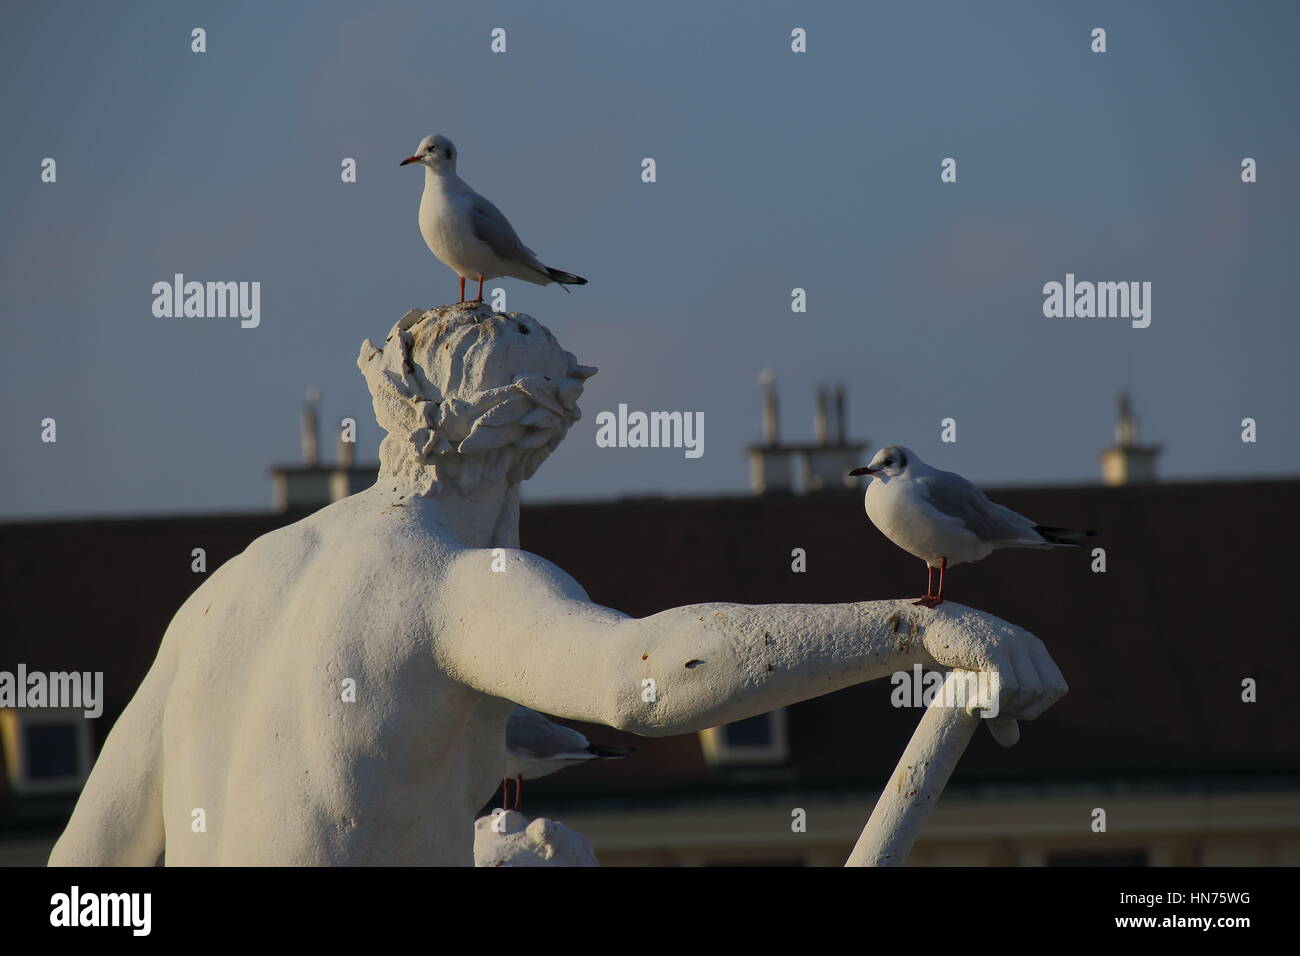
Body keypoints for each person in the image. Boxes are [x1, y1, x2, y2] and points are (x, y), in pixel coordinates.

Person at [49, 304, 1065, 866]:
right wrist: (908, 630)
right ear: (526, 443)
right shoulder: (453, 580)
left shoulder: (226, 593)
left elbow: (79, 877)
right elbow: (645, 678)